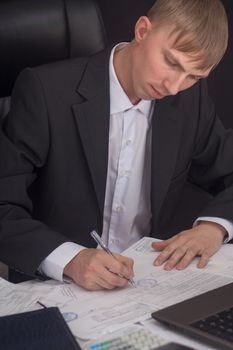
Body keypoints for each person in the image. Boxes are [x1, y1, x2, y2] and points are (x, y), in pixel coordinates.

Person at [0, 0, 233, 291]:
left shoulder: (189, 101)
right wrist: (70, 259)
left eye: (194, 77)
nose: (174, 86)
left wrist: (215, 227)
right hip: (58, 285)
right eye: (172, 63)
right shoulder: (44, 92)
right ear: (142, 30)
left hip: (146, 282)